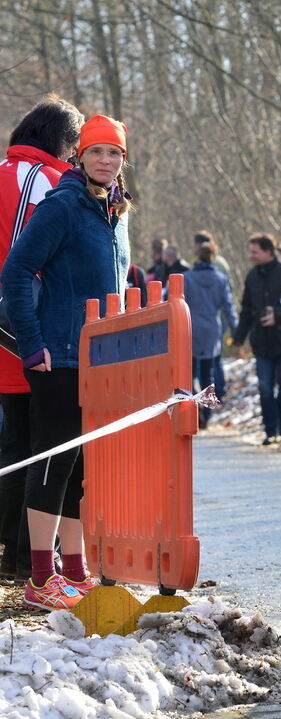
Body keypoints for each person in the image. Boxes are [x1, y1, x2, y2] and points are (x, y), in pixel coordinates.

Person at [2, 113, 131, 610]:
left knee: (81, 466)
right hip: (58, 355)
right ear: (79, 157)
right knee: (54, 461)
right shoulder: (63, 204)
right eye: (96, 151)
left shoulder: (112, 211)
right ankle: (40, 577)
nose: (104, 160)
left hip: (95, 358)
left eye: (113, 152)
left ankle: (74, 571)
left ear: (123, 160)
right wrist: (32, 345)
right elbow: (16, 271)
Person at [0, 94, 84, 581]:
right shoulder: (48, 182)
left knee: (12, 441)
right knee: (43, 446)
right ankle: (25, 557)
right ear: (63, 141)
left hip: (10, 333)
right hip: (28, 335)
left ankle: (11, 557)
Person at [233, 233, 281, 445]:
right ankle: (270, 431)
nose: (251, 256)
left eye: (255, 252)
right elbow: (246, 310)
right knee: (264, 388)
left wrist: (278, 315)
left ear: (268, 252)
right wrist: (238, 339)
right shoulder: (252, 276)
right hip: (262, 343)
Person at [184, 241, 238, 428]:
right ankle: (206, 413)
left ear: (198, 257)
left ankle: (191, 407)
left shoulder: (187, 278)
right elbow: (229, 308)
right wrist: (235, 331)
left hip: (190, 328)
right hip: (212, 330)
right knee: (208, 374)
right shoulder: (221, 280)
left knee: (188, 373)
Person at [193, 230, 232, 400]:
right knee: (213, 360)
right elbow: (227, 298)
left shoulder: (191, 276)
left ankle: (202, 399)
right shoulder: (222, 267)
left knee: (201, 365)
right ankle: (214, 396)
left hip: (201, 322)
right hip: (215, 321)